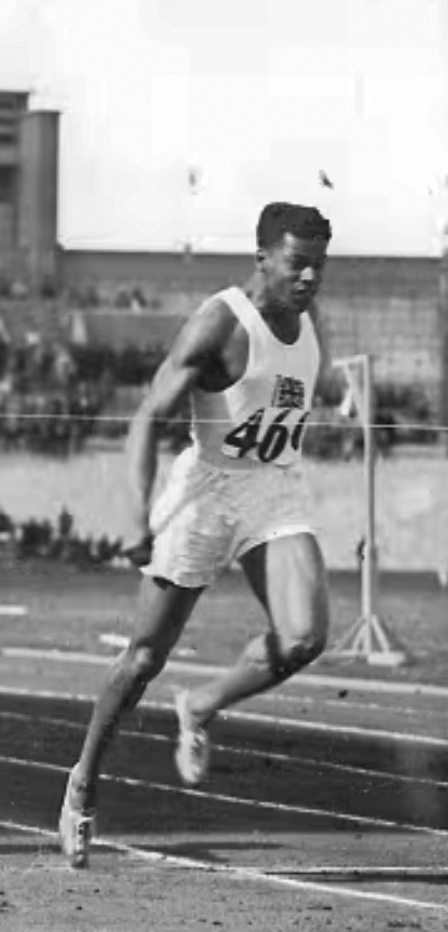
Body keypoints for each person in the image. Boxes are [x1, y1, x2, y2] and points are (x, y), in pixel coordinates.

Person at [59, 203, 344, 869]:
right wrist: (136, 516)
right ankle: (82, 783)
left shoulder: (309, 316)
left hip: (271, 487)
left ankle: (200, 705)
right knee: (143, 659)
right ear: (263, 256)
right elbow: (146, 417)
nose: (309, 278)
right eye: (297, 263)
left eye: (319, 266)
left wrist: (342, 390)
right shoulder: (220, 322)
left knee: (305, 636)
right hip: (206, 491)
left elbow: (306, 381)